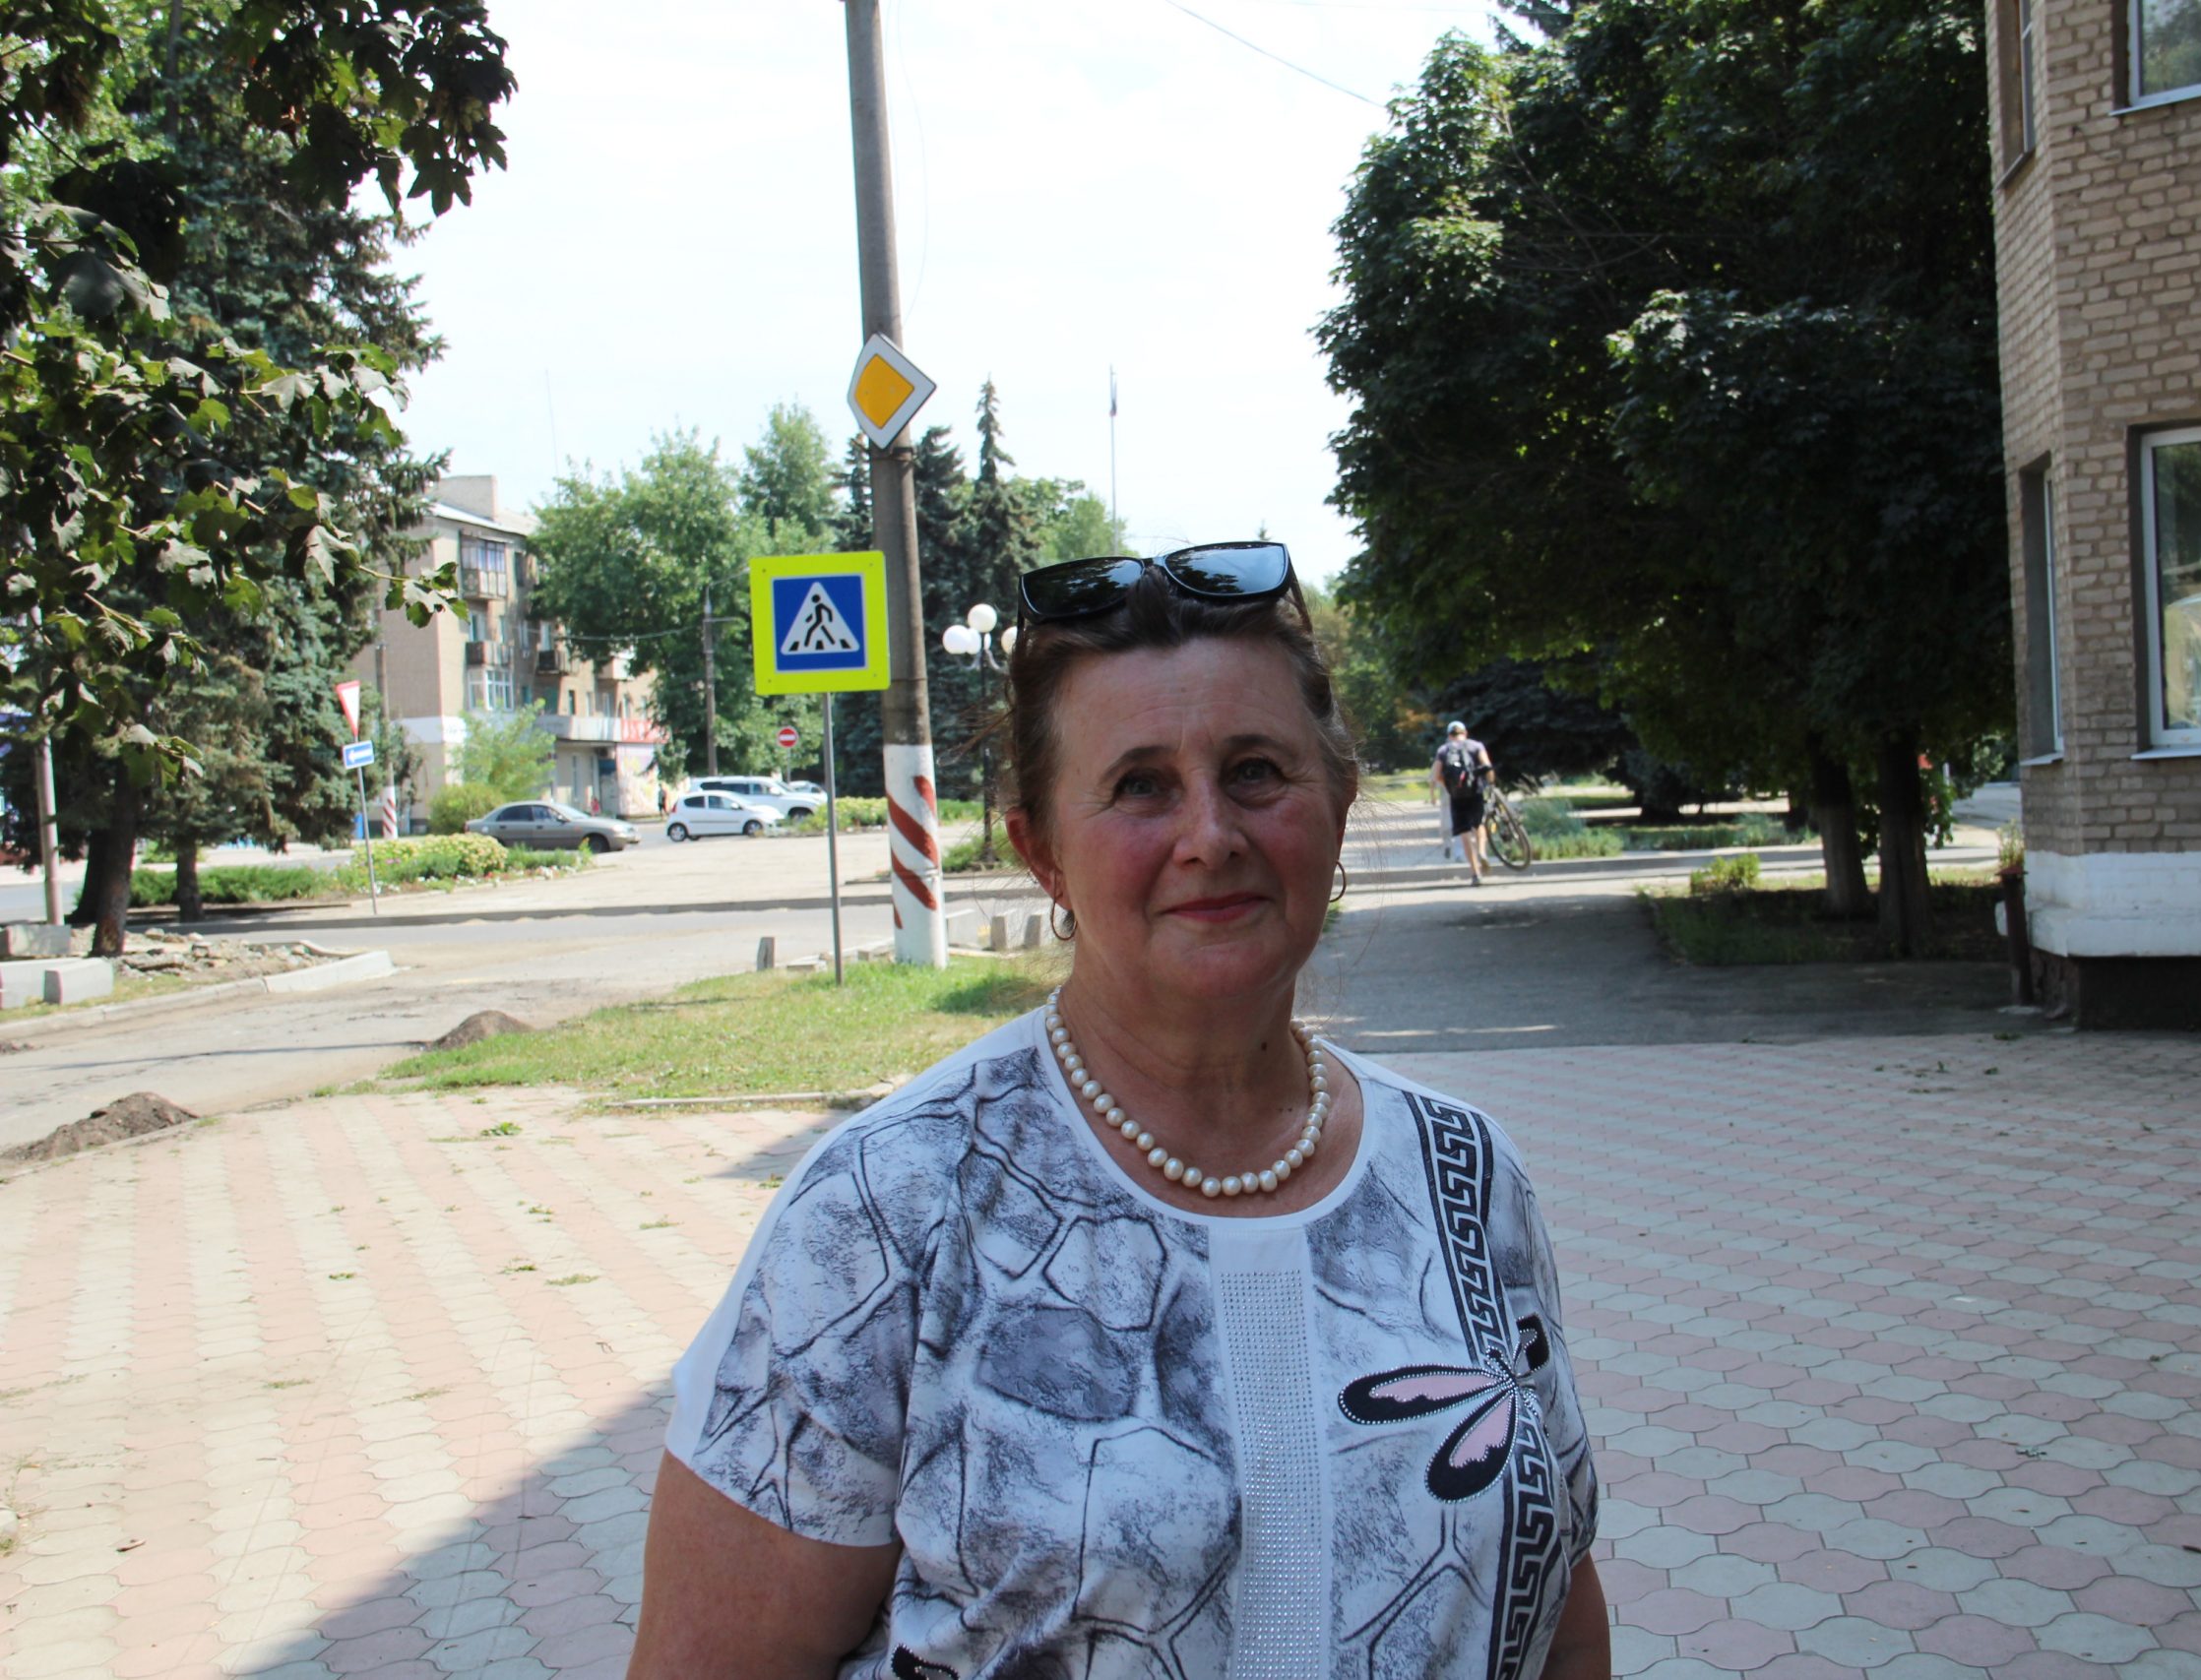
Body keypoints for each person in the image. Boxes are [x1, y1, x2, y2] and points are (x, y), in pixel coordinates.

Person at [632, 541, 1606, 1680]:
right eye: (1141, 786)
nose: (1210, 836)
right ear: (1042, 851)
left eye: (1256, 771)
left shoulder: (1461, 1173)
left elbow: (1556, 1608)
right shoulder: (887, 1209)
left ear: (1337, 804)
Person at [1432, 718, 1497, 887]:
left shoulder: (1443, 750)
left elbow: (1436, 775)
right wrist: (1490, 784)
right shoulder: (1475, 746)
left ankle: (1475, 874)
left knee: (1464, 833)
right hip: (1476, 791)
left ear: (1449, 735)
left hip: (1456, 796)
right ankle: (1482, 851)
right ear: (1465, 733)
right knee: (1479, 824)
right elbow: (1487, 766)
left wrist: (1449, 787)